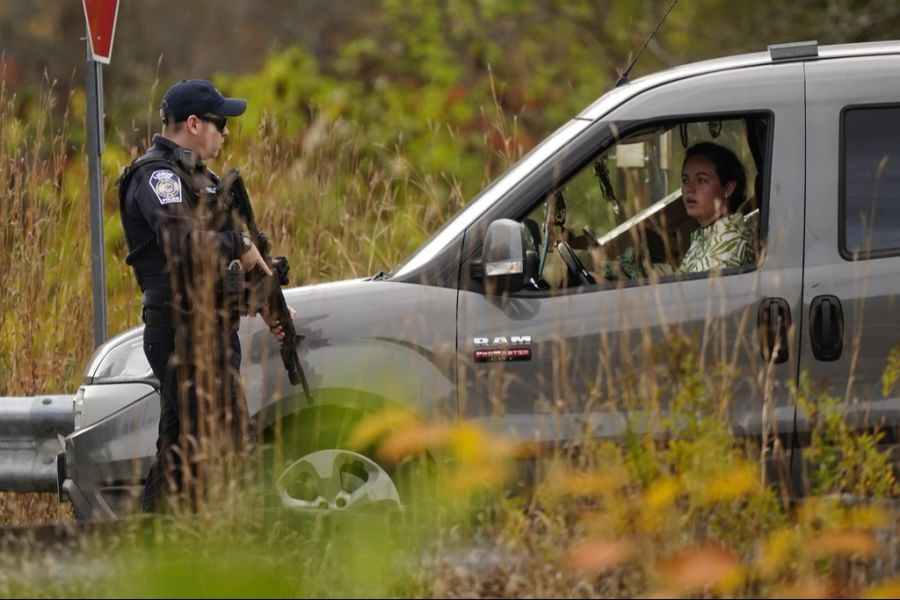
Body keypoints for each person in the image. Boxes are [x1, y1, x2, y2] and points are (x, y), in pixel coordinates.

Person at [118, 79, 287, 512]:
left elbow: (221, 266)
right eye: (220, 122)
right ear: (193, 123)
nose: (225, 132)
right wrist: (239, 247)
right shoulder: (158, 177)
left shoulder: (204, 181)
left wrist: (262, 297)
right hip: (183, 332)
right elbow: (184, 247)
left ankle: (148, 553)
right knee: (231, 446)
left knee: (177, 456)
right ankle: (253, 550)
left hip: (208, 330)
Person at [678, 142, 756, 273]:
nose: (689, 189)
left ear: (728, 188)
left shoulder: (729, 239)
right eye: (685, 180)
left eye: (701, 180)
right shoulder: (708, 235)